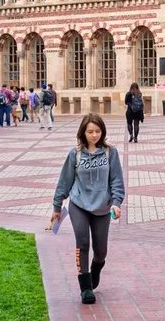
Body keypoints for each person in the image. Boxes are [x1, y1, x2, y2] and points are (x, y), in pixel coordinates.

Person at [52, 113, 125, 305]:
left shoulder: (110, 153)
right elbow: (64, 181)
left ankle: (96, 267)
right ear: (83, 133)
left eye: (98, 131)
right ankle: (85, 287)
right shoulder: (75, 153)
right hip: (79, 205)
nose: (94, 135)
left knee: (100, 250)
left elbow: (116, 180)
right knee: (82, 243)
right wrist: (57, 206)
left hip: (102, 206)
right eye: (90, 131)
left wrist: (116, 202)